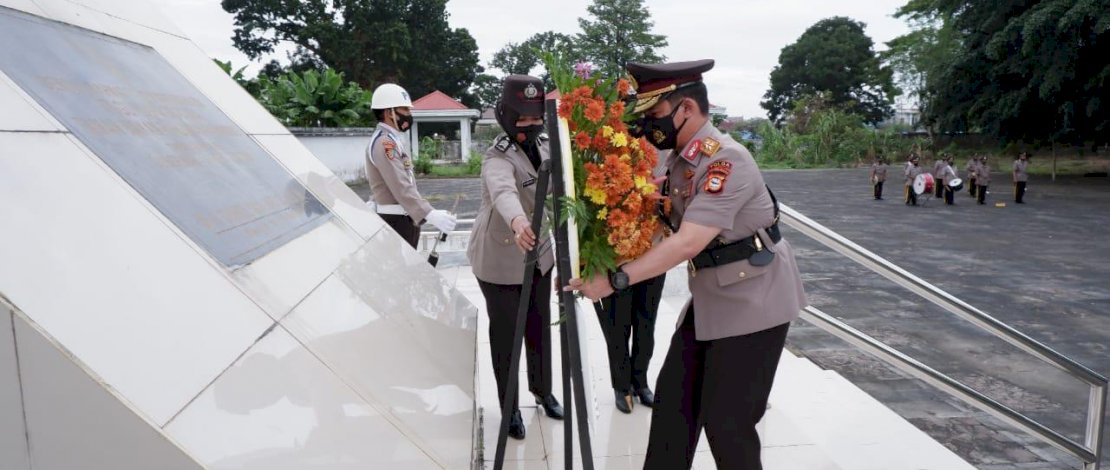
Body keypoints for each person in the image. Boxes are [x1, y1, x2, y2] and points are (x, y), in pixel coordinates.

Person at [566, 59, 806, 469]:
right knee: (674, 409)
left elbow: (687, 243)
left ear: (687, 110)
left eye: (655, 115)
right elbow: (661, 229)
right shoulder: (680, 159)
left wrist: (616, 278)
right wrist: (598, 255)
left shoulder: (725, 161)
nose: (649, 126)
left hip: (755, 302)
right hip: (714, 299)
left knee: (728, 426)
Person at [466, 75, 563, 440]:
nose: (529, 125)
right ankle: (509, 408)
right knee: (507, 336)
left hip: (538, 253)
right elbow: (503, 190)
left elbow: (560, 183)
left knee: (539, 326)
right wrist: (519, 219)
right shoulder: (497, 156)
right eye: (521, 119)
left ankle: (542, 391)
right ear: (507, 116)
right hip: (501, 256)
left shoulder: (544, 144)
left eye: (534, 118)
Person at [365, 83, 455, 248]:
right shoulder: (385, 143)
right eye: (405, 110)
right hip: (395, 222)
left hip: (403, 218)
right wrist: (429, 213)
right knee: (399, 272)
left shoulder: (391, 140)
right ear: (388, 112)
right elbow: (400, 185)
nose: (409, 114)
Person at [593, 273, 666, 413]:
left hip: (653, 260)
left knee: (646, 325)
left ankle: (640, 381)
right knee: (617, 327)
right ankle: (622, 386)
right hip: (614, 261)